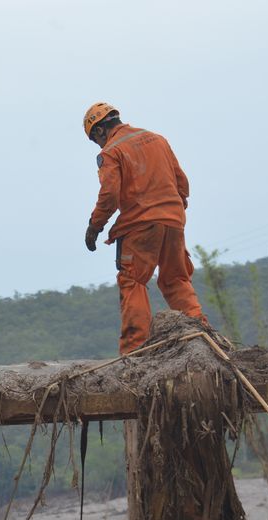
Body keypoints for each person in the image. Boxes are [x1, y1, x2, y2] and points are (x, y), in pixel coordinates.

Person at [82, 102, 210, 355]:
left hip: (140, 226)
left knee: (133, 281)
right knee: (176, 279)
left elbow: (109, 195)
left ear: (98, 131)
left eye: (95, 140)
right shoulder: (157, 139)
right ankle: (202, 338)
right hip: (174, 220)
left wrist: (95, 226)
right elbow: (181, 182)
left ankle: (135, 352)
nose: (98, 145)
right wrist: (174, 209)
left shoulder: (111, 152)